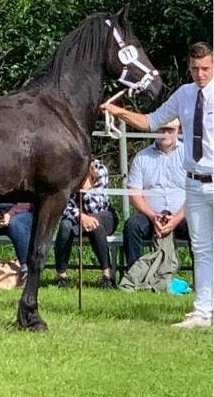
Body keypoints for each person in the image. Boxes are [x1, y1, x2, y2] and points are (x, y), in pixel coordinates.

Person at [101, 41, 213, 328]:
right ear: (188, 67)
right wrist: (119, 112)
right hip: (193, 181)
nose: (200, 74)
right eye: (195, 69)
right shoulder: (184, 95)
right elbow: (151, 122)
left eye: (206, 69)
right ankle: (202, 310)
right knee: (201, 248)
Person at [124, 118, 190, 269]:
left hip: (183, 216)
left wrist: (177, 218)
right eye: (161, 129)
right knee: (132, 226)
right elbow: (134, 194)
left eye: (170, 130)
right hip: (150, 216)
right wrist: (153, 217)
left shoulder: (189, 155)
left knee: (201, 227)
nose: (165, 134)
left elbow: (196, 192)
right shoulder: (142, 157)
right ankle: (134, 276)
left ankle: (203, 280)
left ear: (179, 131)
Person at [54, 157, 118, 289]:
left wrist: (86, 189)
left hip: (104, 214)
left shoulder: (100, 170)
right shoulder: (68, 173)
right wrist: (81, 216)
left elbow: (99, 206)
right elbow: (64, 207)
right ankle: (61, 276)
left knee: (95, 222)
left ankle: (107, 274)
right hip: (77, 215)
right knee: (65, 226)